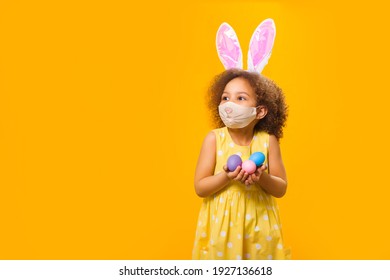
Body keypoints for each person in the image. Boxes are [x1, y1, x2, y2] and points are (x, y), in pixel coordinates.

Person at [192, 68, 290, 260]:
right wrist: (226, 177)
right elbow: (200, 187)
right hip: (222, 228)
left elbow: (281, 188)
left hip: (259, 228)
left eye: (241, 98)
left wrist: (262, 177)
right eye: (225, 98)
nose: (229, 104)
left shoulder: (268, 141)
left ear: (260, 111)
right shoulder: (214, 139)